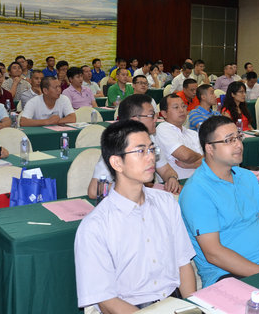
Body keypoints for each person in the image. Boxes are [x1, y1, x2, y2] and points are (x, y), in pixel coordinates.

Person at [74, 120, 196, 311]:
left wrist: (191, 308)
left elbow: (184, 265)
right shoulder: (95, 226)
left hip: (174, 303)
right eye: (140, 151)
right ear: (117, 163)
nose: (150, 158)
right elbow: (106, 301)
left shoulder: (166, 203)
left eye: (151, 149)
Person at [179, 116, 259, 287]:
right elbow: (214, 253)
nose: (238, 145)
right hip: (228, 275)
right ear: (209, 148)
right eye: (229, 140)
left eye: (238, 137)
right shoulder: (196, 190)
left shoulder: (246, 177)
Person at [87, 94, 182, 198]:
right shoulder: (117, 145)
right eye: (151, 115)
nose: (156, 119)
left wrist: (172, 178)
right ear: (135, 120)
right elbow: (94, 189)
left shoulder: (150, 139)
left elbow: (166, 170)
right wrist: (132, 188)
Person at [155, 94, 203, 179]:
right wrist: (201, 157)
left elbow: (211, 160)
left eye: (183, 106)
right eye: (176, 107)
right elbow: (185, 156)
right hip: (178, 182)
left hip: (201, 180)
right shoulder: (163, 128)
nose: (182, 110)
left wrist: (192, 164)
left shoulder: (192, 133)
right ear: (164, 114)